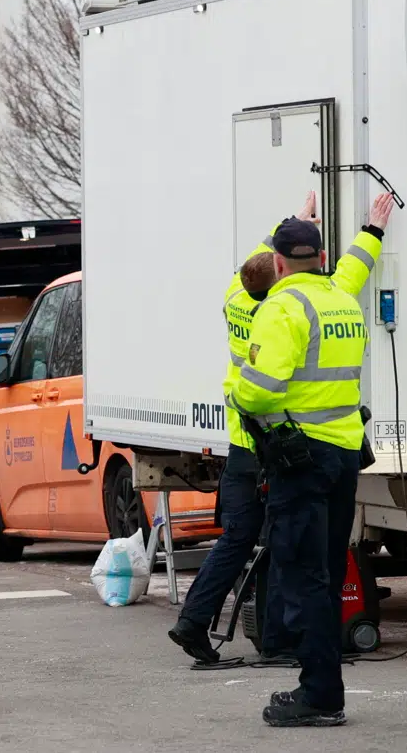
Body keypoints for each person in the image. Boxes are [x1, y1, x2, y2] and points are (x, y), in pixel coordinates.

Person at [229, 192, 396, 729]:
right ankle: (323, 686)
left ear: (279, 264)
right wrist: (372, 230)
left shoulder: (282, 306)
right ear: (321, 259)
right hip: (344, 455)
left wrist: (242, 394)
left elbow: (257, 392)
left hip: (299, 460)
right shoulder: (339, 299)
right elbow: (354, 269)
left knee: (302, 576)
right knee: (322, 570)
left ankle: (320, 695)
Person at [168, 192, 322, 665]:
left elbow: (254, 265)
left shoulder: (237, 296)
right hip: (268, 446)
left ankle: (193, 623)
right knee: (278, 542)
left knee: (236, 541)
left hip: (239, 446)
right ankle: (276, 639)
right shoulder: (278, 312)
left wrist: (291, 221)